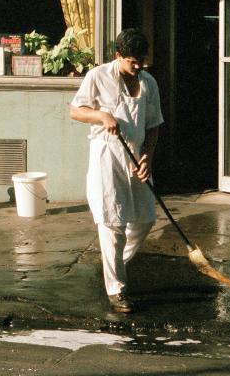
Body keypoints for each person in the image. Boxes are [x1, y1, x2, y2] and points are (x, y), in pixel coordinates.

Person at [69, 28, 164, 314]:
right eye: (132, 61)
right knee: (113, 223)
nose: (138, 67)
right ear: (118, 56)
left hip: (136, 156)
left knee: (146, 217)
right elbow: (76, 110)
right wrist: (100, 114)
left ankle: (114, 264)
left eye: (141, 62)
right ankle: (117, 289)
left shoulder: (148, 82)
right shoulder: (97, 76)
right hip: (106, 154)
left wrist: (147, 157)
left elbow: (153, 125)